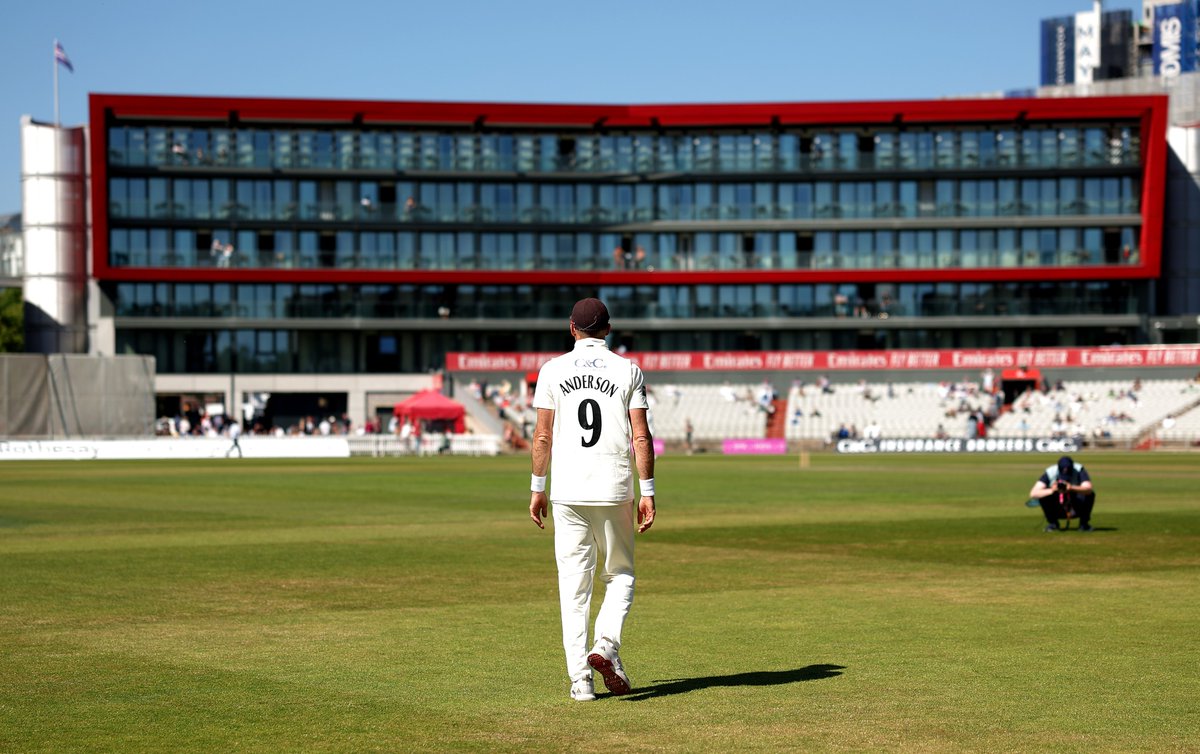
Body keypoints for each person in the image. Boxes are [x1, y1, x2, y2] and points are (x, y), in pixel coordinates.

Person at [528, 297, 656, 702]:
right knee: (621, 574)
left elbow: (543, 435)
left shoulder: (552, 370)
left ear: (572, 328)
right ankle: (606, 645)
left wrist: (537, 487)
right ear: (608, 328)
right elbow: (641, 436)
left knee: (574, 587)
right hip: (614, 486)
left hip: (567, 489)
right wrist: (648, 490)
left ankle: (580, 680)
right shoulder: (627, 369)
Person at [1029, 455, 1096, 532]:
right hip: (1057, 506)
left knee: (1090, 495)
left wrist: (1071, 488)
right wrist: (1052, 490)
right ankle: (1053, 524)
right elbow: (1033, 493)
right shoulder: (1051, 472)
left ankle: (1084, 525)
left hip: (1075, 504)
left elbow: (1089, 489)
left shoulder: (1079, 470)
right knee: (1044, 496)